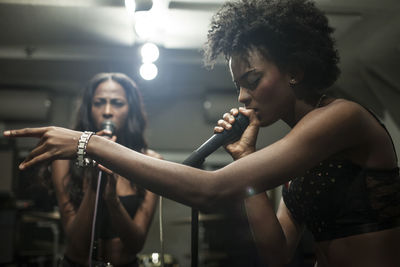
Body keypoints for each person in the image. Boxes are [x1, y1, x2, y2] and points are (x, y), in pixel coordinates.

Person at [4, 0, 400, 266]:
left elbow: (209, 190)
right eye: (238, 84)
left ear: (295, 69)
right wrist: (245, 160)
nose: (242, 96)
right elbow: (276, 252)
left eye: (253, 79)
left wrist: (84, 141)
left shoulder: (342, 117)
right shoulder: (301, 151)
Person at [50, 72, 161, 266]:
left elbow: (136, 243)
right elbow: (77, 243)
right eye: (99, 102)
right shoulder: (65, 161)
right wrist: (95, 186)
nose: (107, 111)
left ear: (131, 109)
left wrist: (112, 199)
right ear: (89, 108)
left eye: (117, 103)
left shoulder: (150, 160)